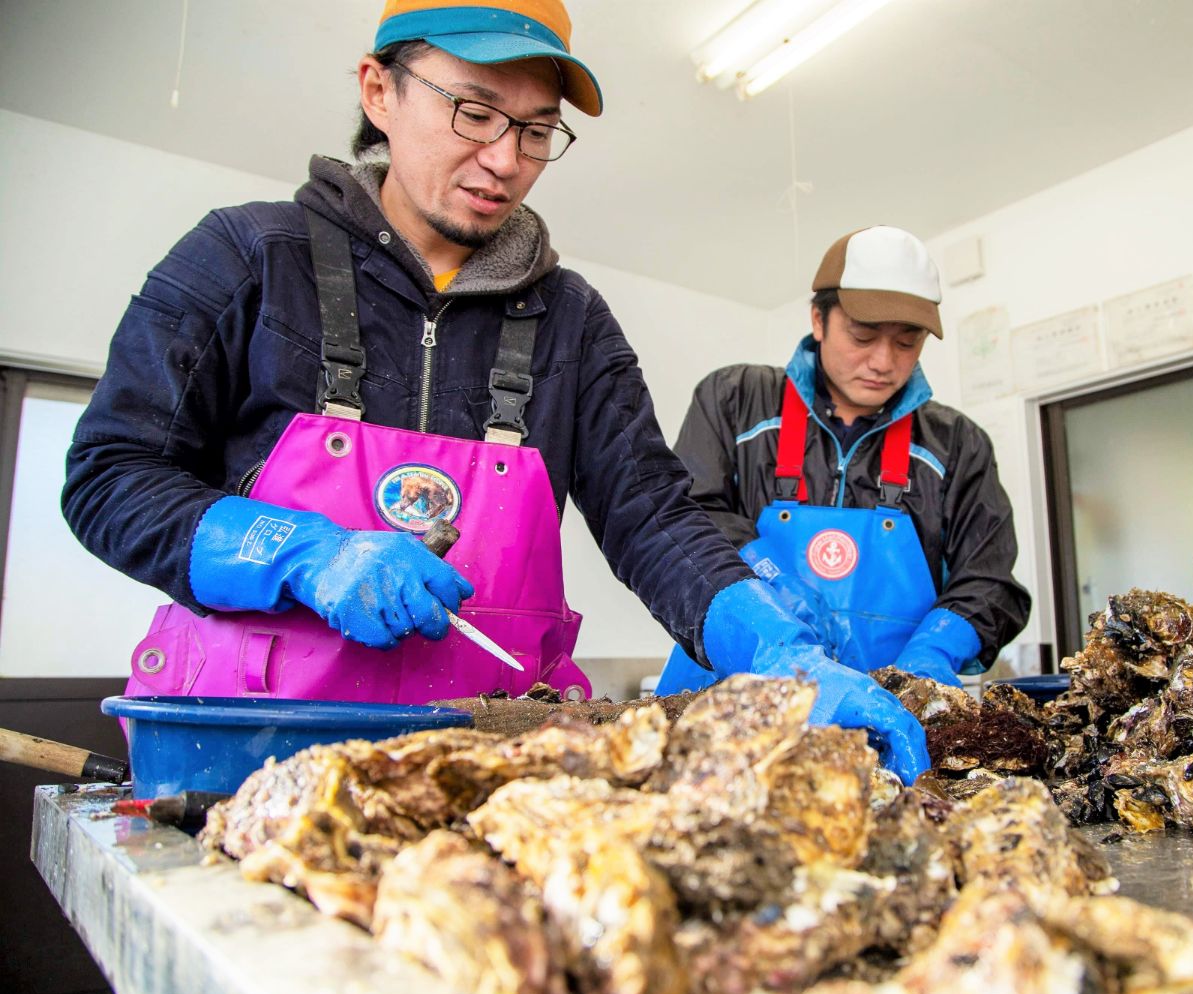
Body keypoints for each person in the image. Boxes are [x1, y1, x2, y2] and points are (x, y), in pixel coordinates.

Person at [61, 1, 929, 782]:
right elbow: (110, 476)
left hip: (490, 765)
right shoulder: (245, 259)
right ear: (378, 90)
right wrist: (299, 553)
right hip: (247, 756)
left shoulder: (574, 322)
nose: (504, 159)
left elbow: (654, 517)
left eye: (536, 131)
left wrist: (775, 650)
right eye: (473, 112)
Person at [656, 226, 1032, 696]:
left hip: (886, 708)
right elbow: (686, 517)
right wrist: (768, 577)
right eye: (863, 335)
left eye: (906, 342)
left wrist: (935, 649)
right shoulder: (734, 400)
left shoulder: (958, 444)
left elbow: (991, 582)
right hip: (727, 695)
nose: (882, 362)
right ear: (818, 320)